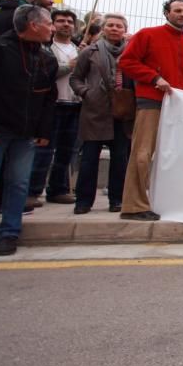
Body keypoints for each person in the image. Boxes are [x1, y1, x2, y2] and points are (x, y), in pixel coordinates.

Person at [118, 0, 183, 221]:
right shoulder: (146, 35)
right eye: (177, 10)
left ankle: (165, 201)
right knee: (143, 154)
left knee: (173, 156)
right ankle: (133, 205)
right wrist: (155, 78)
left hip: (178, 107)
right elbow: (126, 62)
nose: (182, 14)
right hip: (151, 101)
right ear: (167, 13)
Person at [0, 5, 57, 255]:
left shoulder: (47, 59)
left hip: (27, 135)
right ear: (34, 25)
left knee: (18, 184)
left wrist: (44, 131)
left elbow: (49, 98)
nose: (53, 27)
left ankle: (9, 233)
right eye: (49, 23)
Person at [69, 13, 134, 215]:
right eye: (111, 25)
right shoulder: (90, 51)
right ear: (104, 28)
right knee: (89, 158)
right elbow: (75, 79)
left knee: (120, 158)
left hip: (123, 112)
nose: (115, 29)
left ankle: (117, 199)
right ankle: (83, 201)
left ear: (125, 30)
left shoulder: (133, 53)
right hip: (95, 112)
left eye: (119, 26)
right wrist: (86, 93)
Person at [26, 8, 81, 207]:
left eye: (69, 21)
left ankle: (58, 189)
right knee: (44, 150)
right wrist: (69, 66)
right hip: (52, 106)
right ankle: (32, 191)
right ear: (53, 24)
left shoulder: (79, 49)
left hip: (74, 105)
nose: (66, 24)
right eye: (60, 21)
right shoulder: (45, 48)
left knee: (67, 151)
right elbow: (44, 74)